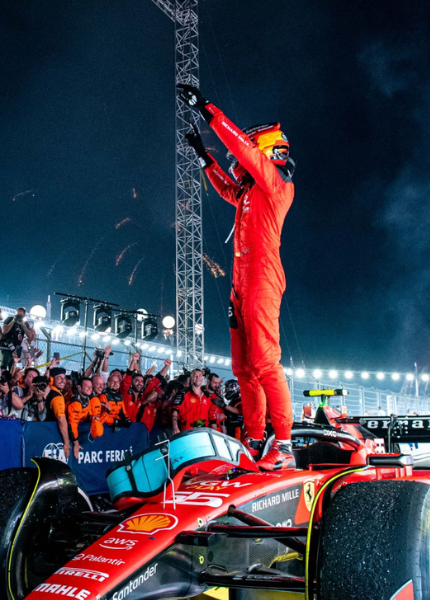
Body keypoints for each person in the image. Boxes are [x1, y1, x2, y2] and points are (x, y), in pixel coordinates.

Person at [178, 84, 296, 471]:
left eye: (247, 149)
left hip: (262, 276)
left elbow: (243, 152)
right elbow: (228, 190)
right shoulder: (249, 191)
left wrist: (209, 109)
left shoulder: (276, 185)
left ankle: (285, 444)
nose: (238, 159)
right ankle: (256, 438)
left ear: (264, 149)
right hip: (241, 282)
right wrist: (203, 157)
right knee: (244, 368)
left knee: (265, 361)